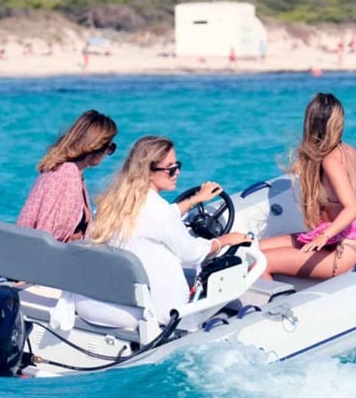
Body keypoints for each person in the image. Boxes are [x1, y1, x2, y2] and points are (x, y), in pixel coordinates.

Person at [81, 136, 250, 326]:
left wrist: (194, 200)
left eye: (177, 165)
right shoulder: (160, 212)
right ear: (149, 173)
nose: (176, 172)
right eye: (170, 169)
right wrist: (225, 240)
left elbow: (156, 220)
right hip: (162, 306)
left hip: (122, 294)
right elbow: (192, 254)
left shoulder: (112, 203)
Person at [261, 92, 356, 280]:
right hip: (337, 240)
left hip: (342, 249)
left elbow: (352, 208)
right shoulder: (349, 151)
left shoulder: (330, 162)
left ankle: (274, 309)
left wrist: (323, 236)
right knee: (254, 249)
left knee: (260, 262)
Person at [17, 110, 118, 243]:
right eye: (110, 147)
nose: (108, 153)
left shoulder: (59, 169)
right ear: (97, 147)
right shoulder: (67, 174)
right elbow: (51, 234)